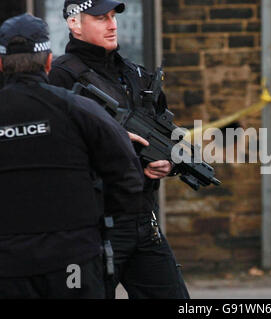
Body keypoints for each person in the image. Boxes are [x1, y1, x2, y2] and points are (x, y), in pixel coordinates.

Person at [0, 13, 150, 299]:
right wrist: (97, 223)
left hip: (7, 267)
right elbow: (128, 178)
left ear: (0, 64)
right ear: (48, 62)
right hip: (73, 262)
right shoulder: (80, 110)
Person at [49, 0, 190, 299]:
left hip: (143, 221)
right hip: (91, 228)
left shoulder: (136, 75)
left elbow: (169, 134)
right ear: (75, 23)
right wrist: (110, 140)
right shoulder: (61, 76)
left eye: (113, 17)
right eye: (101, 18)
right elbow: (52, 152)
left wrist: (170, 163)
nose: (112, 25)